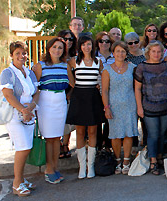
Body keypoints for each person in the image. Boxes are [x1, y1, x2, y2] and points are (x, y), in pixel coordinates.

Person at [0, 41, 39, 196]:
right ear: (11, 55)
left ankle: (21, 179)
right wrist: (23, 109)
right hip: (14, 116)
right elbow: (8, 95)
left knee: (27, 147)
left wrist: (30, 107)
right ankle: (16, 184)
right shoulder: (7, 73)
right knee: (22, 148)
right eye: (18, 53)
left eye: (23, 53)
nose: (21, 56)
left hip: (29, 115)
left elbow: (37, 92)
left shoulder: (29, 72)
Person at [32, 37, 69, 184]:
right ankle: (48, 169)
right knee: (49, 138)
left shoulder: (65, 65)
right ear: (49, 48)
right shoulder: (40, 65)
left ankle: (55, 167)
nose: (57, 50)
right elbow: (35, 87)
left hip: (60, 101)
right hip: (46, 101)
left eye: (60, 48)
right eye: (54, 47)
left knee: (57, 138)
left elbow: (70, 83)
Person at [66, 35, 104, 179]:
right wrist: (76, 86)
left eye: (88, 44)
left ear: (92, 46)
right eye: (83, 45)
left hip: (93, 97)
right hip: (79, 97)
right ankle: (82, 167)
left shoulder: (98, 62)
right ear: (79, 46)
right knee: (80, 132)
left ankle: (91, 166)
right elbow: (69, 75)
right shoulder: (73, 61)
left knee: (93, 132)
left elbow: (102, 79)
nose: (86, 47)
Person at [134, 41, 167, 175]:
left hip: (165, 106)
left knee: (162, 134)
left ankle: (160, 156)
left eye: (159, 51)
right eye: (153, 51)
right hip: (149, 106)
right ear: (148, 52)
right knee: (153, 134)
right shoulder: (141, 67)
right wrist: (139, 107)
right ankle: (153, 160)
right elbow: (137, 89)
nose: (156, 54)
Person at [101, 41, 139, 175]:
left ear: (126, 53)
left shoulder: (132, 67)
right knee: (115, 135)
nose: (120, 54)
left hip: (130, 105)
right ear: (113, 53)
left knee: (128, 133)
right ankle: (117, 161)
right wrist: (106, 107)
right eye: (117, 51)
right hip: (114, 106)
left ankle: (126, 162)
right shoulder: (107, 70)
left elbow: (137, 87)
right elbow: (104, 90)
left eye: (123, 51)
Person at [57, 29, 76, 159]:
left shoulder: (75, 57)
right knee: (57, 121)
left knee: (68, 122)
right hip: (57, 93)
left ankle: (65, 144)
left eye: (70, 39)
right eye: (65, 39)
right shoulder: (55, 56)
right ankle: (57, 145)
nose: (68, 42)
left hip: (72, 92)